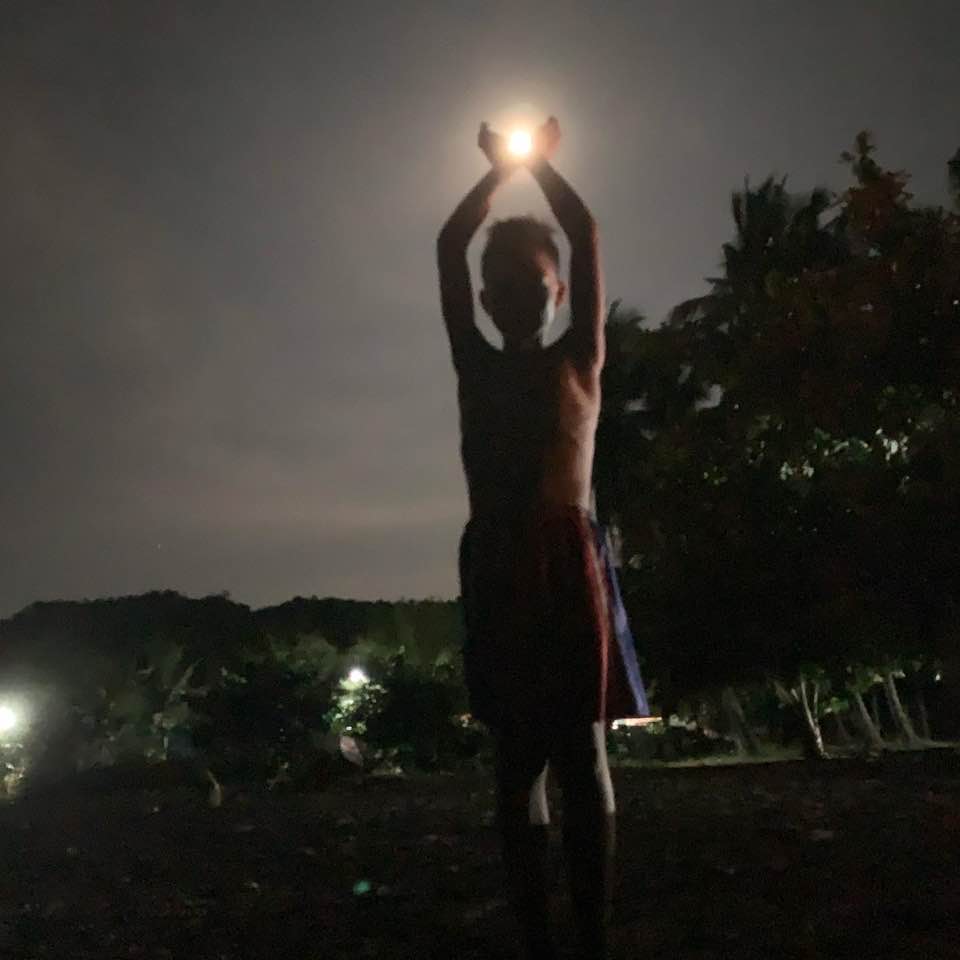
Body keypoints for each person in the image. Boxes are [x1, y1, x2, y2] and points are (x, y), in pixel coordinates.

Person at [436, 117, 645, 960]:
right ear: (484, 301)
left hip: (567, 565)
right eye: (501, 284)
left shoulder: (580, 360)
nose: (517, 292)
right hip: (496, 563)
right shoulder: (474, 363)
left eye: (535, 278)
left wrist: (538, 167)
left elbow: (584, 231)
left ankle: (591, 938)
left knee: (582, 753)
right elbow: (450, 243)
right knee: (516, 759)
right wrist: (499, 172)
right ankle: (537, 940)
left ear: (559, 292)